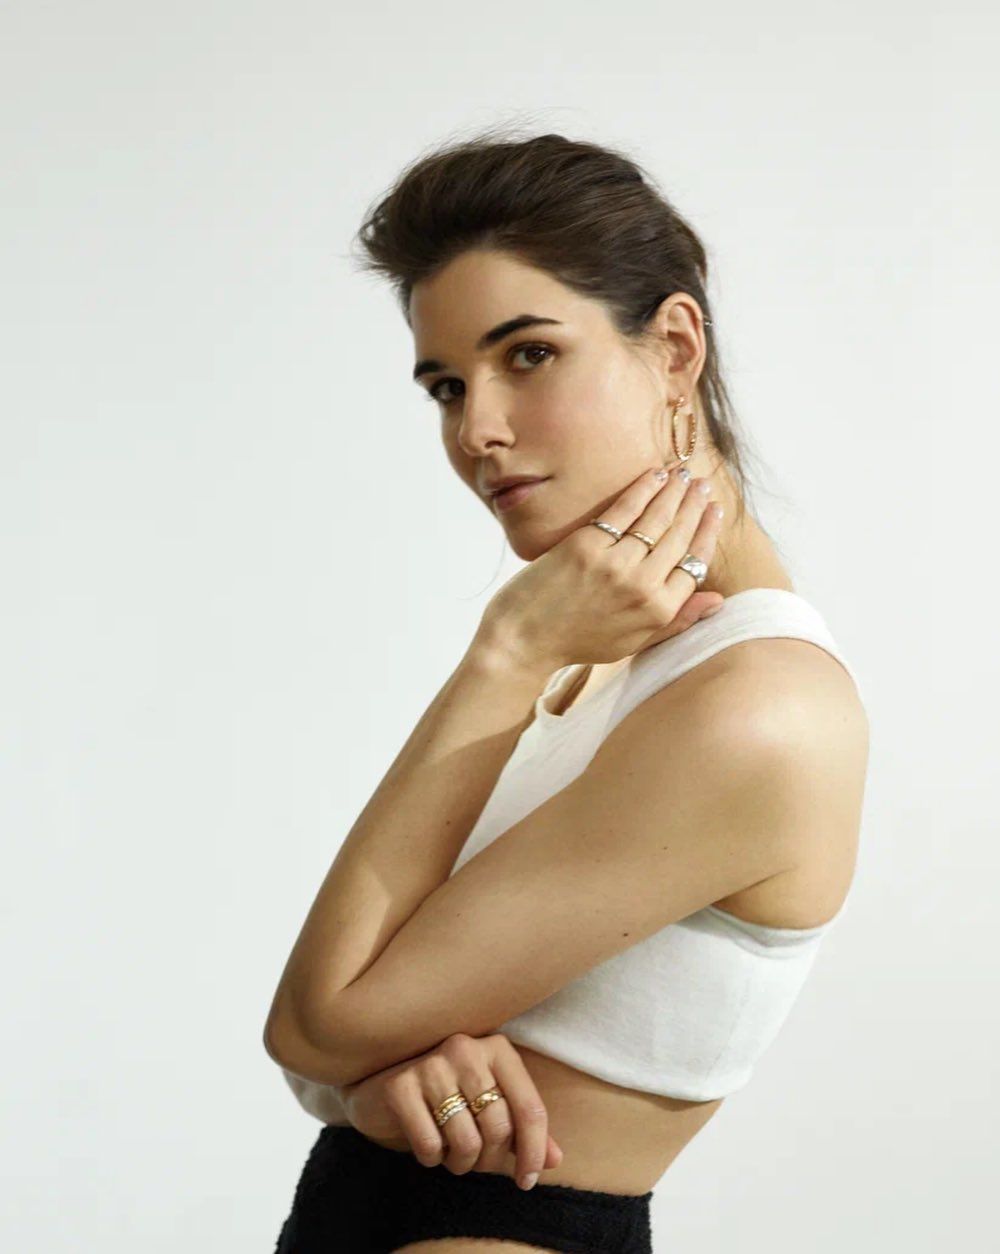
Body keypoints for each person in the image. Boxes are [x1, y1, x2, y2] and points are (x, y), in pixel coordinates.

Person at [265, 127, 870, 1253]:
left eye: (529, 355)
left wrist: (502, 653)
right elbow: (332, 1029)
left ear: (674, 347)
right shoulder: (600, 655)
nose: (476, 431)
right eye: (447, 386)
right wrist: (366, 1086)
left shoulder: (757, 710)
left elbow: (315, 1022)